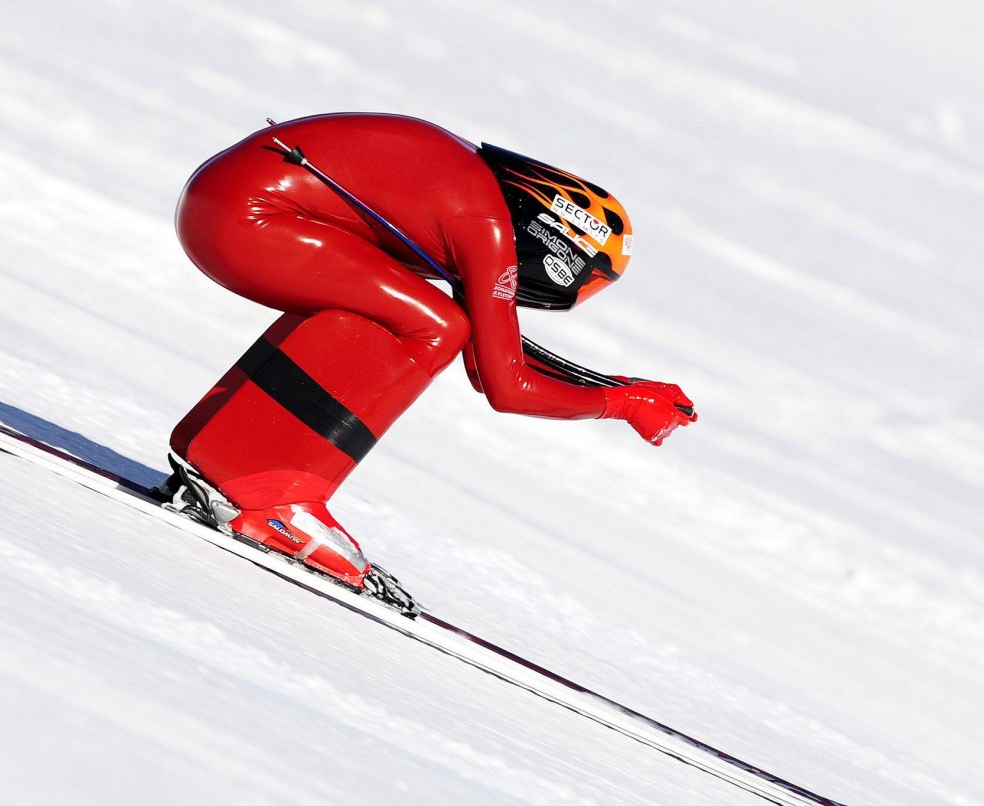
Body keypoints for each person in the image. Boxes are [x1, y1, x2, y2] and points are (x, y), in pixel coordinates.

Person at [163, 113, 696, 604]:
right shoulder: (485, 227)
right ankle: (272, 498)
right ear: (556, 253)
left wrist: (615, 391)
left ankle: (222, 451)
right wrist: (619, 405)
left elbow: (487, 365)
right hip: (248, 217)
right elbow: (505, 387)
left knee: (418, 314)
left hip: (231, 205)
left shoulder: (472, 189)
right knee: (434, 322)